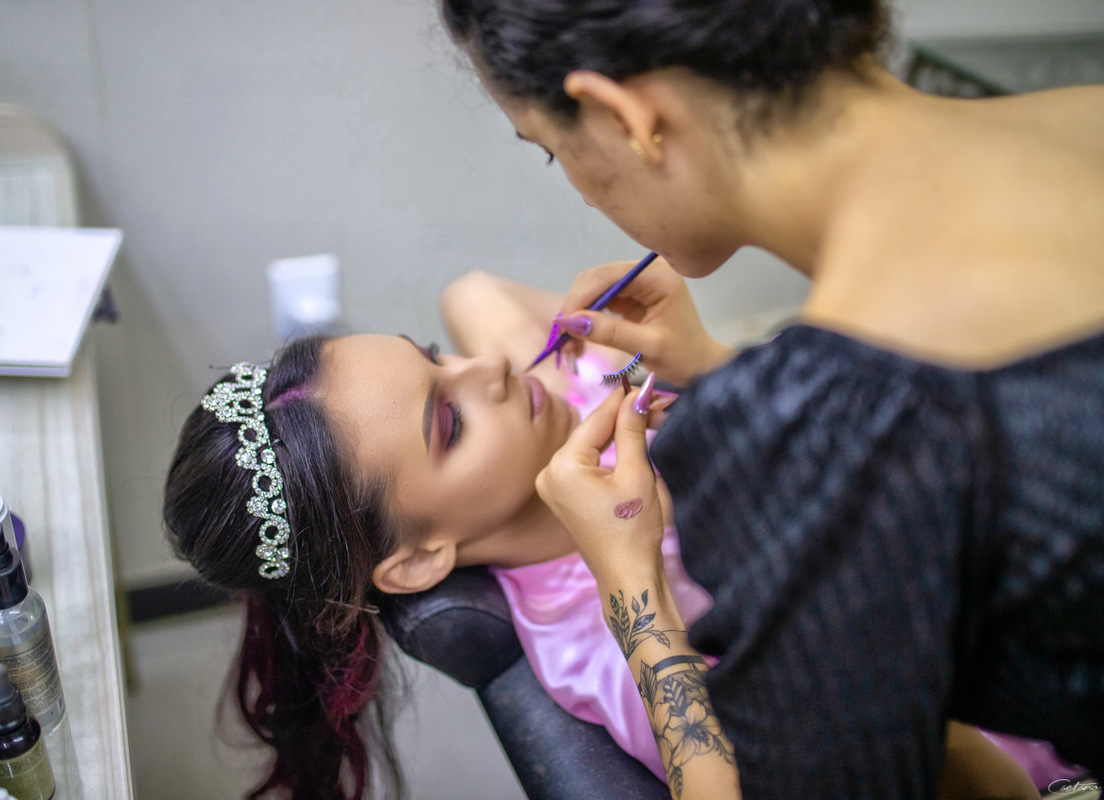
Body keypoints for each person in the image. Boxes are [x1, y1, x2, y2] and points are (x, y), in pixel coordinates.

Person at [437, 0, 1104, 797]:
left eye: (553, 151)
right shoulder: (1083, 116)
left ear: (626, 116)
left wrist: (634, 595)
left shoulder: (817, 433)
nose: (581, 191)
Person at [164, 269, 1064, 800]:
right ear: (421, 559)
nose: (491, 367)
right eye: (449, 422)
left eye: (434, 353)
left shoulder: (569, 397)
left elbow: (473, 293)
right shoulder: (599, 650)